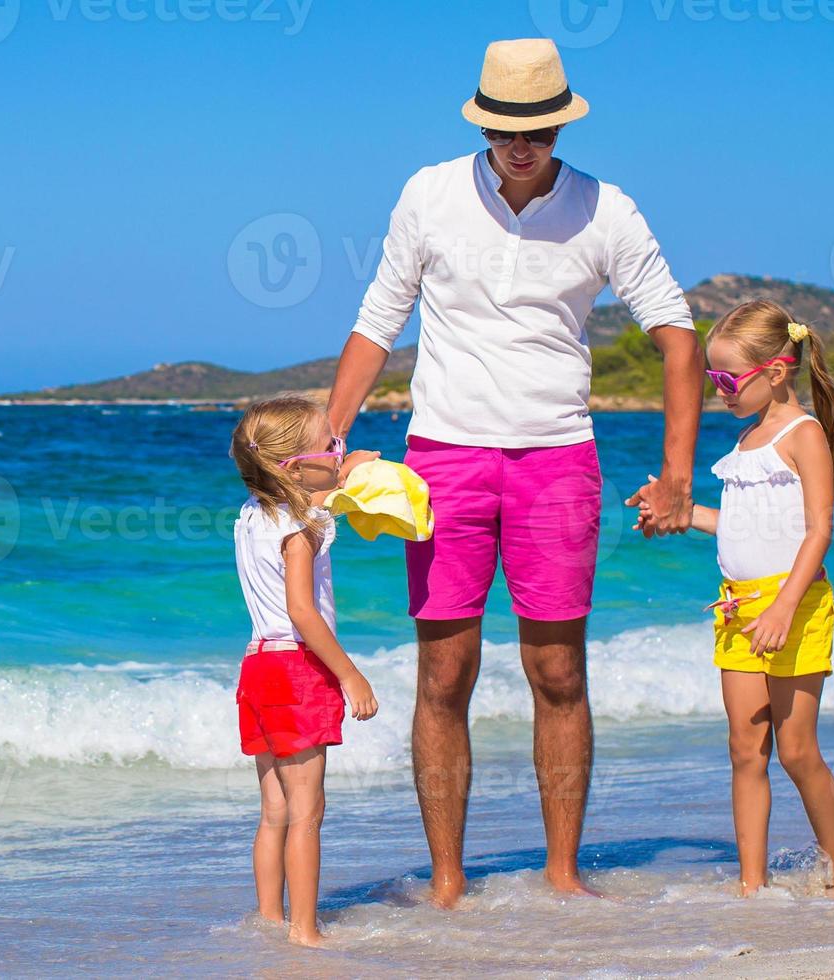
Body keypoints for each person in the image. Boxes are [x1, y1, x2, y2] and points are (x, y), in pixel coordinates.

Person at [323, 38, 703, 906]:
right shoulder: (428, 192)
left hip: (557, 459)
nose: (518, 144)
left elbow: (677, 337)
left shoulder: (607, 210)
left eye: (535, 128)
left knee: (558, 673)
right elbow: (377, 323)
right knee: (444, 674)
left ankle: (563, 876)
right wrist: (329, 441)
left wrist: (678, 472)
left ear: (561, 124)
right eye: (503, 127)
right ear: (482, 121)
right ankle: (449, 885)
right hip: (443, 456)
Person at [632, 300, 834, 898]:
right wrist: (676, 513)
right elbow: (735, 523)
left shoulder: (803, 435)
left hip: (796, 608)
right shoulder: (746, 439)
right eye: (713, 380)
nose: (720, 391)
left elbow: (818, 532)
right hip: (736, 610)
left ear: (777, 371)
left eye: (728, 380)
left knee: (797, 751)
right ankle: (751, 883)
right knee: (744, 749)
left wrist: (784, 606)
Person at [229, 396, 382, 945]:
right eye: (331, 445)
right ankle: (305, 930)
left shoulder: (252, 514)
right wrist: (349, 674)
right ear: (293, 464)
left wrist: (345, 467)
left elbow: (316, 495)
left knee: (273, 809)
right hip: (297, 669)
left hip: (257, 668)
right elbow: (302, 611)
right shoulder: (303, 527)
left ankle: (269, 918)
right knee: (307, 812)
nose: (337, 451)